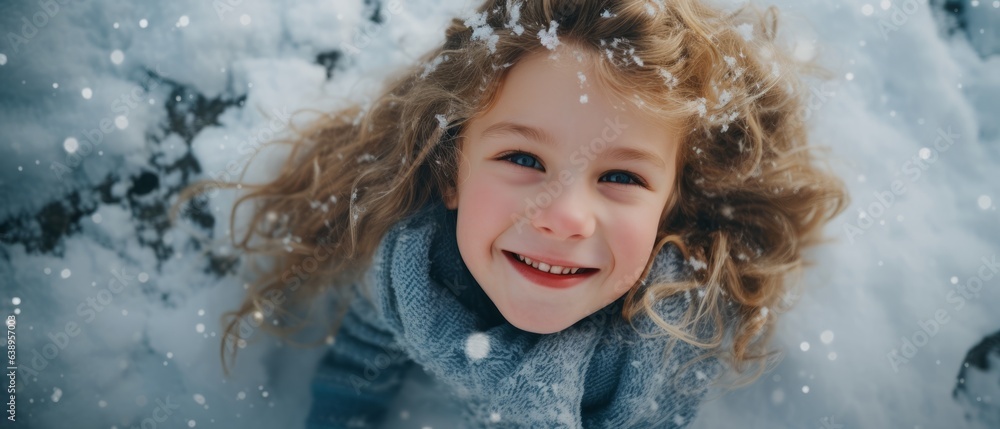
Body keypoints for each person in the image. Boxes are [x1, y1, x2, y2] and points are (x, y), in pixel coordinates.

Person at [179, 0, 849, 427]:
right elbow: (357, 367)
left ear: (671, 205)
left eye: (619, 176)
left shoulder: (671, 336)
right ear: (451, 172)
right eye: (524, 160)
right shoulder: (414, 273)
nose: (563, 216)